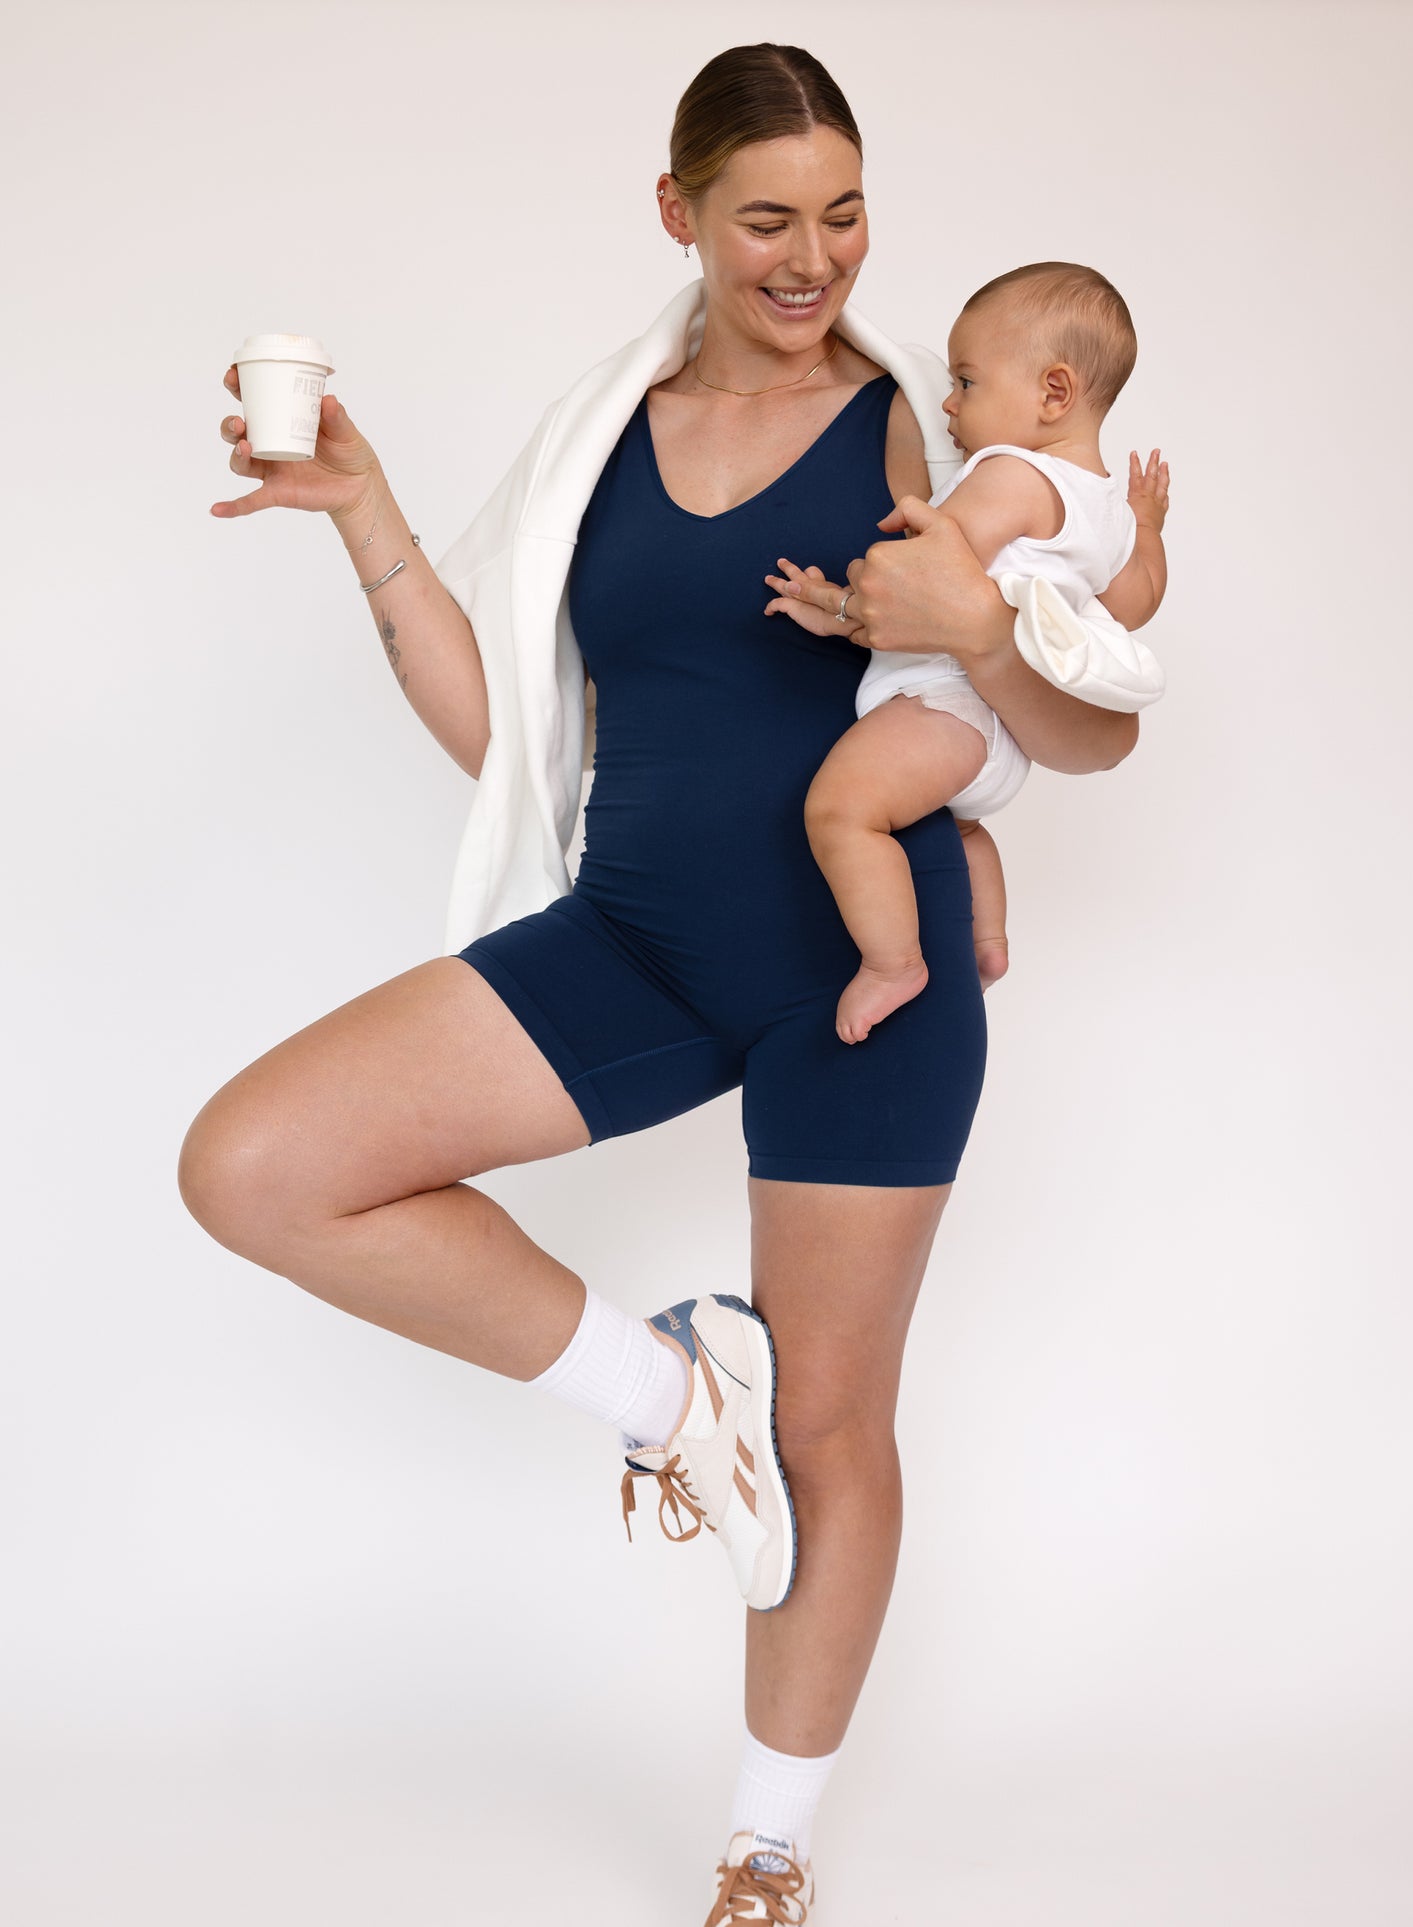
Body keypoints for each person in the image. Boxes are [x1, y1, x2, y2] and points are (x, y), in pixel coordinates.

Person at [180, 43, 1143, 1925]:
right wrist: (367, 511)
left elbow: (1090, 728)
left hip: (863, 974)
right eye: (768, 218)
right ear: (677, 211)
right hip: (632, 938)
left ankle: (765, 1851)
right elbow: (514, 744)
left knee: (834, 1424)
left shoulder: (923, 430)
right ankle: (667, 1394)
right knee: (257, 1164)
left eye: (844, 215)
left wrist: (979, 635)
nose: (814, 259)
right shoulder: (602, 432)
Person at [762, 260, 1171, 1042]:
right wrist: (1147, 525)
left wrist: (844, 599)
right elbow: (1132, 604)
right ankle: (986, 941)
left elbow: (925, 577)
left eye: (966, 382)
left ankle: (892, 963)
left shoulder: (1011, 473)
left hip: (948, 702)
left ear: (1053, 392)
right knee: (955, 826)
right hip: (1004, 728)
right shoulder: (1106, 515)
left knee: (841, 810)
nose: (948, 402)